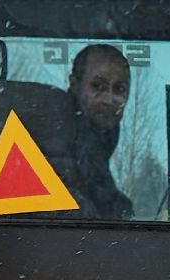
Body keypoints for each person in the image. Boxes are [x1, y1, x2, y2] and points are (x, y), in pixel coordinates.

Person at [65, 43, 135, 220]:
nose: (109, 99)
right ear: (75, 86)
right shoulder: (57, 141)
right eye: (97, 86)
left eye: (119, 89)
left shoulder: (100, 140)